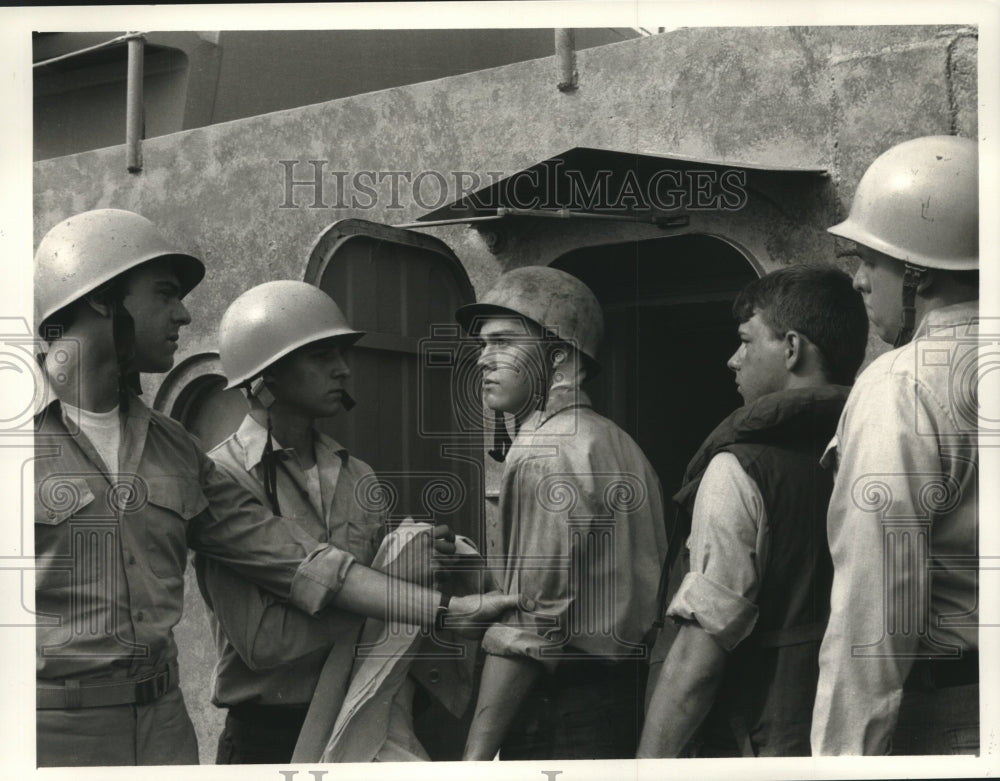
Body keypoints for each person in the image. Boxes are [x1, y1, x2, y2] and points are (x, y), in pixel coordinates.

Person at [32, 209, 518, 767]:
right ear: (100, 300)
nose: (185, 313)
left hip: (163, 727)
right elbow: (264, 640)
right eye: (166, 294)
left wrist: (446, 612)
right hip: (46, 730)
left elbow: (300, 562)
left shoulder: (175, 449)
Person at [198, 280, 463, 763]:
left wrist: (420, 555)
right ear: (266, 375)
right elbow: (265, 645)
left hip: (357, 717)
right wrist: (394, 583)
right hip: (270, 736)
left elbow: (383, 614)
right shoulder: (223, 479)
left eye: (342, 354)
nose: (343, 369)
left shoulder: (356, 473)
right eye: (321, 357)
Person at [637, 265, 868, 757]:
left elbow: (700, 658)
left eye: (746, 341)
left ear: (791, 348)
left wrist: (645, 767)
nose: (732, 359)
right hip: (855, 733)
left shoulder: (737, 470)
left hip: (759, 743)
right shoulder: (875, 448)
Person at [455, 266, 668, 760]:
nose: (484, 360)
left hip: (560, 714)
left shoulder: (541, 453)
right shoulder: (617, 441)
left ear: (561, 360)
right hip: (621, 700)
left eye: (503, 342)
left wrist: (474, 760)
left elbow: (533, 626)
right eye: (482, 345)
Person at [810, 135, 980, 755]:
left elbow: (877, 607)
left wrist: (842, 762)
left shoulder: (902, 383)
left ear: (917, 273)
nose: (857, 281)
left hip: (958, 716)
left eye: (868, 260)